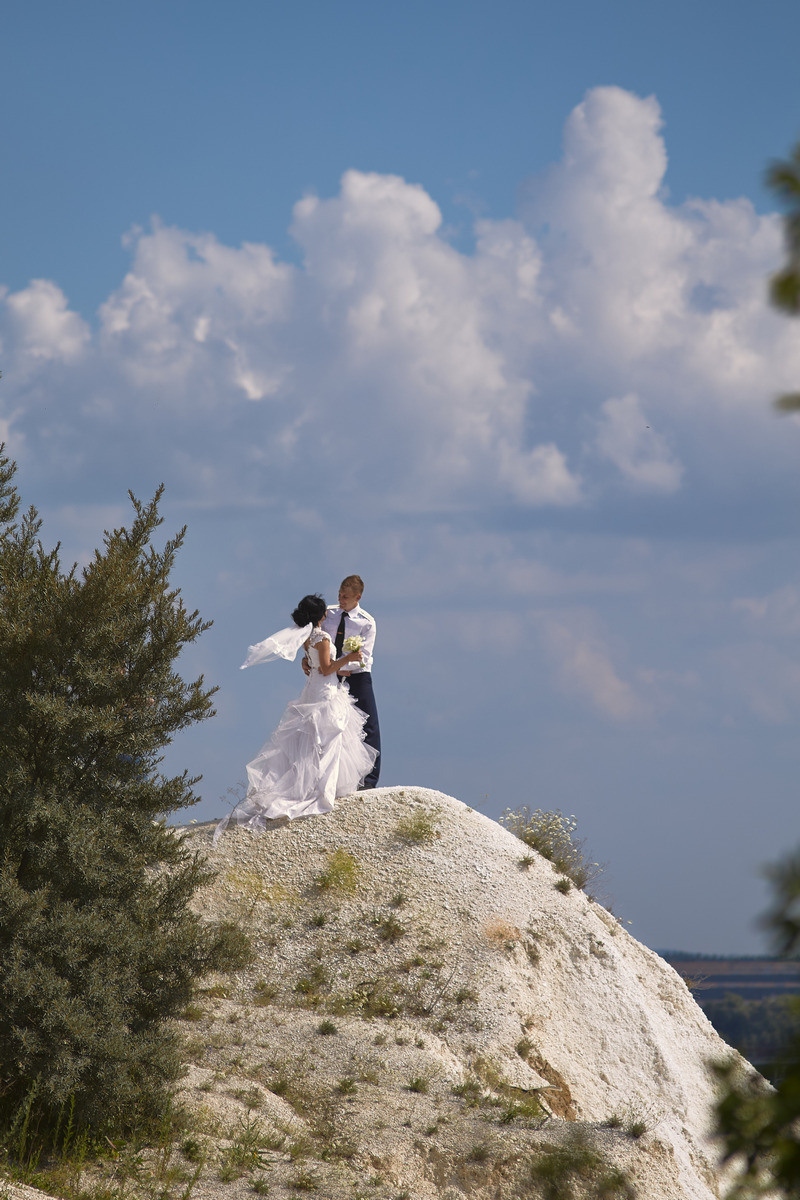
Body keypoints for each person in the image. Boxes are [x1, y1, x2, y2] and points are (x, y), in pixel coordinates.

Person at [214, 594, 376, 840]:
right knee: (327, 737)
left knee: (312, 739)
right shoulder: (321, 637)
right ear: (321, 615)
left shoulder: (307, 638)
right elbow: (325, 668)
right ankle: (320, 791)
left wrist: (335, 665)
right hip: (324, 692)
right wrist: (349, 659)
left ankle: (314, 786)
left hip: (314, 688)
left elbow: (316, 666)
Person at [319, 575, 380, 789]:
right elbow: (316, 640)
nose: (341, 599)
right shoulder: (328, 613)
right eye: (339, 595)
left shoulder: (367, 622)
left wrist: (343, 667)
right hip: (329, 675)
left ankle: (369, 781)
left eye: (345, 596)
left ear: (358, 597)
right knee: (329, 722)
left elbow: (365, 656)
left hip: (358, 676)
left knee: (368, 724)